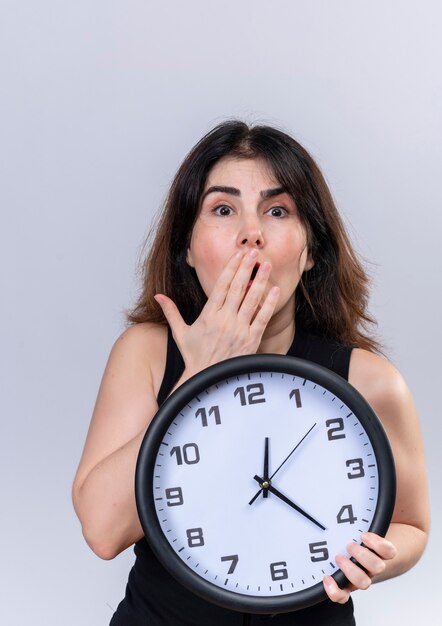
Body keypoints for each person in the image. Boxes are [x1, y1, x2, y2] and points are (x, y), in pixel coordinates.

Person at [72, 121, 430, 625]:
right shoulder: (147, 354)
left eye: (278, 210)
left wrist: (375, 557)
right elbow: (103, 531)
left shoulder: (369, 380)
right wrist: (201, 371)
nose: (251, 232)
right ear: (188, 249)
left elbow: (410, 524)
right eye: (223, 209)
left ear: (310, 253)